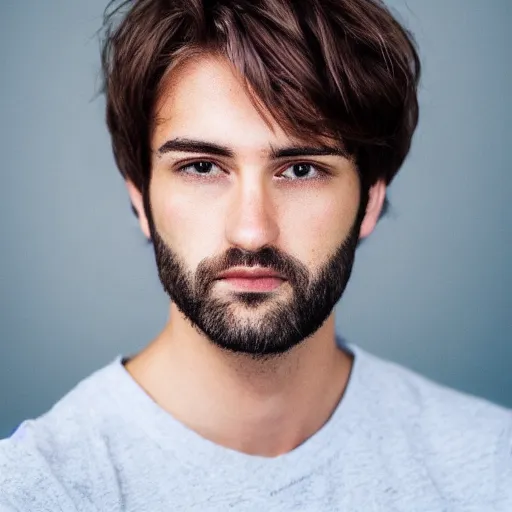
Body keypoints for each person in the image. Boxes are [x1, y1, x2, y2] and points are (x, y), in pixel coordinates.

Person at [1, 0, 510, 509]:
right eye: (202, 167)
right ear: (140, 198)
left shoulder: (490, 469)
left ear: (370, 199)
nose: (251, 231)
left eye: (301, 170)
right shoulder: (39, 490)